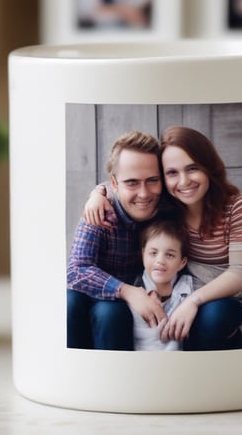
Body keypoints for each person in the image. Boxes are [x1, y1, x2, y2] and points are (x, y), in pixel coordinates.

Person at [84, 126, 242, 351]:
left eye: (193, 168)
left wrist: (193, 301)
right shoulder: (165, 203)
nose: (184, 181)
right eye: (172, 173)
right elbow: (126, 181)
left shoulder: (236, 206)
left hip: (217, 298)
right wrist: (97, 194)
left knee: (216, 315)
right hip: (172, 295)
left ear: (209, 168)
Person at [67, 131, 181, 350]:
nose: (144, 193)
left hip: (127, 303)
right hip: (94, 293)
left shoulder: (169, 210)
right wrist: (127, 291)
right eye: (132, 183)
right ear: (114, 183)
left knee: (110, 312)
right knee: (69, 302)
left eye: (152, 181)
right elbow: (76, 270)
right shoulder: (101, 209)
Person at [130, 216, 194, 351]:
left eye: (169, 255)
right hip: (138, 362)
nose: (160, 261)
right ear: (143, 255)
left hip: (177, 363)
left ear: (182, 262)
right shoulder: (134, 289)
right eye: (153, 253)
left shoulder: (188, 289)